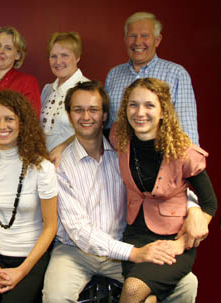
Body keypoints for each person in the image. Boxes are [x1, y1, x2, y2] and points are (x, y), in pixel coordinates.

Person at [42, 80, 199, 303]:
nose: (86, 116)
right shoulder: (59, 165)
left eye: (93, 109)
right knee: (55, 297)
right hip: (74, 251)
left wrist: (194, 209)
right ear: (69, 115)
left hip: (123, 245)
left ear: (105, 115)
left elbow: (167, 185)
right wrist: (135, 253)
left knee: (186, 285)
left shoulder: (125, 151)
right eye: (78, 110)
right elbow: (78, 231)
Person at [111, 78, 216, 302]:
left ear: (162, 112)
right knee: (146, 299)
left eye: (149, 105)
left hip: (174, 239)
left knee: (132, 290)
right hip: (135, 236)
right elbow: (88, 133)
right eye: (133, 104)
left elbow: (210, 203)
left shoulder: (184, 152)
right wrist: (61, 146)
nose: (140, 112)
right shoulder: (119, 138)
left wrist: (181, 242)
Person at [0, 90, 57, 303]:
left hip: (31, 258)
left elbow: (50, 226)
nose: (2, 126)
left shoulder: (41, 167)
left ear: (22, 123)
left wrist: (22, 271)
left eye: (9, 119)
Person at [105, 11, 199, 144]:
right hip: (119, 159)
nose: (138, 42)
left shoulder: (176, 73)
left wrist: (191, 162)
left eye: (144, 36)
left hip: (162, 159)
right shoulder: (113, 75)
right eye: (132, 36)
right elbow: (108, 126)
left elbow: (187, 127)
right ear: (125, 39)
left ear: (157, 40)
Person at [40, 32, 89, 158]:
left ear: (77, 57)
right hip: (46, 164)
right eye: (53, 56)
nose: (58, 61)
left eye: (64, 55)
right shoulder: (47, 90)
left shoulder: (88, 89)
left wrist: (62, 147)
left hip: (74, 163)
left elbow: (93, 131)